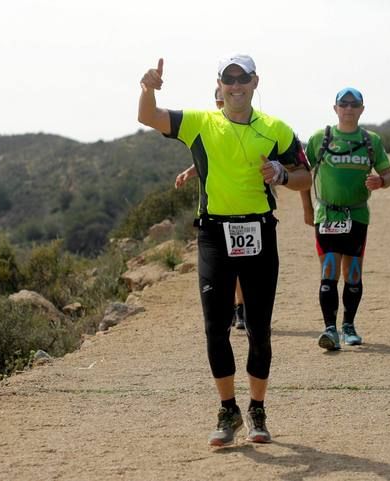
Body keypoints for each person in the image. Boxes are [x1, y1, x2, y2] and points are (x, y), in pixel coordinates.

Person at [139, 54, 311, 446]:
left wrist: (283, 175)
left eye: (243, 78)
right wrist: (147, 88)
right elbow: (149, 117)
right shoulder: (201, 122)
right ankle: (228, 408)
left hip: (259, 231)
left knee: (259, 329)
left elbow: (304, 176)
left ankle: (257, 409)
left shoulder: (276, 129)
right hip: (215, 234)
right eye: (229, 79)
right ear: (220, 84)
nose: (236, 85)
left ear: (255, 82)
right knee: (215, 328)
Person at [300, 87, 390, 351]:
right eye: (344, 104)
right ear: (335, 108)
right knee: (329, 270)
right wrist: (307, 209)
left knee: (352, 274)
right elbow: (304, 175)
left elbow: (388, 175)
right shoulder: (322, 138)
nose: (349, 109)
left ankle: (349, 326)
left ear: (362, 109)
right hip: (327, 214)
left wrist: (381, 181)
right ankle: (330, 329)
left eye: (354, 105)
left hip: (357, 214)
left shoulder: (371, 140)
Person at [174, 87, 246, 330]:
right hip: (211, 211)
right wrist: (188, 171)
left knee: (237, 262)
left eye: (221, 101)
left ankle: (242, 308)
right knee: (223, 265)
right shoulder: (211, 127)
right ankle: (236, 308)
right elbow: (206, 159)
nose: (219, 106)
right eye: (217, 102)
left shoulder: (244, 127)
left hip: (242, 209)